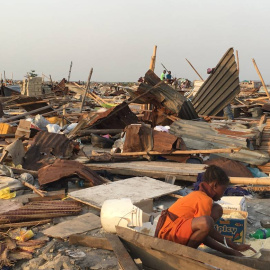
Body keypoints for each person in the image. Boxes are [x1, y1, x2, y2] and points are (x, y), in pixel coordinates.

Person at [155, 165, 256, 256]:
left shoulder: (199, 195)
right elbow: (206, 231)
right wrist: (232, 248)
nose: (223, 194)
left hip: (173, 231)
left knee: (217, 209)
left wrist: (232, 247)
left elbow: (205, 233)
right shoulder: (204, 199)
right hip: (168, 235)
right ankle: (186, 254)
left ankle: (188, 250)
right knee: (206, 222)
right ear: (215, 185)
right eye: (223, 189)